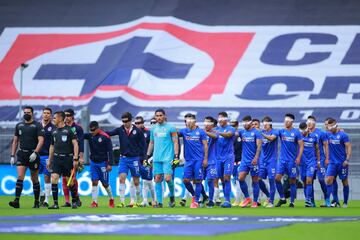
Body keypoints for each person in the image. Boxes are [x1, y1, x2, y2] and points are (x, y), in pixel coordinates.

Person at [107, 112, 146, 208]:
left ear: (130, 120)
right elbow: (110, 133)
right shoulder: (120, 129)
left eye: (126, 121)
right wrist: (99, 132)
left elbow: (144, 144)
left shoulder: (138, 131)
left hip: (134, 159)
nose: (124, 123)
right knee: (121, 179)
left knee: (136, 181)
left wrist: (144, 157)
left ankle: (136, 201)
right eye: (123, 121)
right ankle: (122, 202)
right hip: (123, 158)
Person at [9, 106, 44, 208]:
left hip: (33, 154)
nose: (26, 114)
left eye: (28, 112)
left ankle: (36, 201)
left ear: (32, 113)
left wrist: (35, 152)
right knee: (20, 176)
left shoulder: (37, 125)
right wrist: (12, 155)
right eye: (25, 112)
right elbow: (15, 141)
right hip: (22, 154)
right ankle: (16, 201)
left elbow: (41, 140)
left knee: (34, 178)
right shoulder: (19, 125)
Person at [146, 109, 179, 208]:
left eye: (160, 115)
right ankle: (159, 202)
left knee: (168, 179)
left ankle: (172, 197)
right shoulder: (153, 129)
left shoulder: (171, 128)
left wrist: (176, 156)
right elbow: (151, 142)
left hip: (168, 158)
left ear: (164, 116)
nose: (159, 117)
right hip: (156, 158)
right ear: (155, 117)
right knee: (157, 179)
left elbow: (175, 142)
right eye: (157, 116)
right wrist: (147, 156)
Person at [47, 111, 79, 209]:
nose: (53, 119)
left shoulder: (70, 130)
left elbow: (75, 144)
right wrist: (49, 159)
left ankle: (74, 201)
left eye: (55, 118)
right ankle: (56, 203)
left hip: (67, 159)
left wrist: (76, 158)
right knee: (54, 178)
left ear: (60, 118)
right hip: (56, 159)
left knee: (70, 181)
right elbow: (52, 146)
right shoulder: (54, 131)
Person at [178, 113, 208, 208]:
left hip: (198, 160)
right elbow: (174, 134)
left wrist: (205, 159)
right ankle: (194, 195)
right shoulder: (183, 131)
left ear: (194, 121)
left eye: (190, 120)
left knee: (198, 181)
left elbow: (205, 145)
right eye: (186, 121)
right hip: (188, 160)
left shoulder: (201, 132)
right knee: (186, 180)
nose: (188, 123)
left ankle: (195, 201)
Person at [275, 113, 304, 208]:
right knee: (277, 179)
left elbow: (301, 146)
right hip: (282, 160)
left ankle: (292, 202)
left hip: (292, 161)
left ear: (292, 122)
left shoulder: (296, 133)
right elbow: (272, 135)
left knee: (292, 181)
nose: (285, 122)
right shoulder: (281, 131)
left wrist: (299, 157)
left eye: (287, 121)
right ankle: (283, 198)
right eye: (285, 121)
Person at [84, 121, 115, 208]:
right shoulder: (90, 135)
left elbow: (110, 151)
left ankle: (111, 199)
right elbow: (79, 135)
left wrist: (109, 164)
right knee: (94, 181)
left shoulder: (105, 137)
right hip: (93, 163)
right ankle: (94, 202)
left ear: (98, 128)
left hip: (103, 163)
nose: (92, 132)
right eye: (90, 130)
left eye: (93, 130)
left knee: (105, 184)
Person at [325, 118, 352, 208]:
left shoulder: (343, 135)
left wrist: (347, 159)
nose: (329, 128)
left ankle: (345, 202)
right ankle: (336, 201)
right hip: (332, 163)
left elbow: (348, 147)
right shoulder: (328, 134)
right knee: (329, 180)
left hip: (342, 163)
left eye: (330, 126)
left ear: (335, 125)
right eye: (328, 126)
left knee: (344, 181)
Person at [238, 115, 262, 208]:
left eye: (246, 123)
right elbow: (234, 134)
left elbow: (259, 146)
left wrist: (256, 158)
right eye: (243, 123)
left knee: (255, 181)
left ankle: (255, 201)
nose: (244, 125)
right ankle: (247, 198)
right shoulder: (242, 132)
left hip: (253, 161)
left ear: (250, 123)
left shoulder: (256, 133)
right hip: (244, 160)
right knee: (240, 178)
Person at [61, 108, 83, 207]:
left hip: (73, 156)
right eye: (65, 115)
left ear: (72, 116)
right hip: (63, 155)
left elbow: (80, 143)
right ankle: (67, 201)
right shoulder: (62, 127)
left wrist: (80, 157)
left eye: (68, 115)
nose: (66, 117)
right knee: (64, 179)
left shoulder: (77, 128)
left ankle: (76, 197)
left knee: (71, 178)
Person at [213, 112, 235, 208]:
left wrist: (217, 133)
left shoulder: (231, 129)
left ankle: (227, 201)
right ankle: (223, 199)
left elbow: (228, 135)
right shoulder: (216, 129)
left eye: (222, 119)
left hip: (228, 157)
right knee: (221, 179)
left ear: (226, 119)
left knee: (227, 177)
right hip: (218, 158)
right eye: (219, 119)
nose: (220, 121)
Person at [307, 116, 329, 207]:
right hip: (310, 160)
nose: (308, 123)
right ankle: (312, 202)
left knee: (321, 179)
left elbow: (326, 145)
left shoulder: (320, 133)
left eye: (311, 122)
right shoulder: (305, 133)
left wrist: (327, 158)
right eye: (307, 122)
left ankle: (327, 199)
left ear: (314, 123)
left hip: (321, 160)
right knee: (310, 181)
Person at [134, 116, 156, 207]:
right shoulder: (134, 133)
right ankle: (145, 200)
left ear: (143, 123)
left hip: (147, 159)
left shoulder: (148, 133)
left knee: (148, 180)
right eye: (136, 123)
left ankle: (153, 200)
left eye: (140, 123)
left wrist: (151, 159)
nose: (138, 125)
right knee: (143, 181)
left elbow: (153, 146)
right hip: (137, 159)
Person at [299, 122, 320, 207]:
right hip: (302, 163)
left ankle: (308, 200)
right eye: (301, 130)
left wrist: (318, 161)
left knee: (309, 181)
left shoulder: (314, 136)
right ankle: (309, 199)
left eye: (304, 130)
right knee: (304, 182)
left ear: (307, 128)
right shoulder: (299, 136)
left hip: (311, 162)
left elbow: (317, 149)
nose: (303, 132)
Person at [259, 116, 278, 208]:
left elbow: (271, 138)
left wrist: (261, 134)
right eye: (263, 124)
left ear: (270, 124)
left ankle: (271, 202)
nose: (264, 126)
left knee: (271, 180)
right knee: (258, 179)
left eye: (266, 124)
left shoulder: (275, 132)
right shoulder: (261, 132)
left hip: (272, 161)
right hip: (262, 160)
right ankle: (268, 196)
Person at [38, 107, 56, 207]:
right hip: (36, 155)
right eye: (44, 113)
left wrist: (51, 157)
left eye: (48, 113)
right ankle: (41, 194)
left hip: (46, 156)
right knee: (34, 177)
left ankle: (46, 200)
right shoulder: (37, 126)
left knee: (46, 177)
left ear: (50, 115)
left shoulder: (53, 128)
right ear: (42, 114)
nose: (46, 115)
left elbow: (53, 144)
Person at [203, 116, 219, 208]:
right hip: (201, 160)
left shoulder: (214, 133)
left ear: (212, 125)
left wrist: (204, 132)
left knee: (210, 180)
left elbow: (215, 137)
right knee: (197, 181)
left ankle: (211, 200)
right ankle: (202, 197)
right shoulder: (200, 134)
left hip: (212, 161)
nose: (206, 125)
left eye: (208, 123)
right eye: (205, 123)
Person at [230, 119, 242, 206]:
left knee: (238, 181)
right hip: (231, 162)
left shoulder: (240, 136)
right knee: (234, 181)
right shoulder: (228, 136)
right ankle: (239, 199)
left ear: (237, 126)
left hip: (240, 161)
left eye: (234, 126)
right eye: (231, 126)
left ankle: (238, 200)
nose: (232, 128)